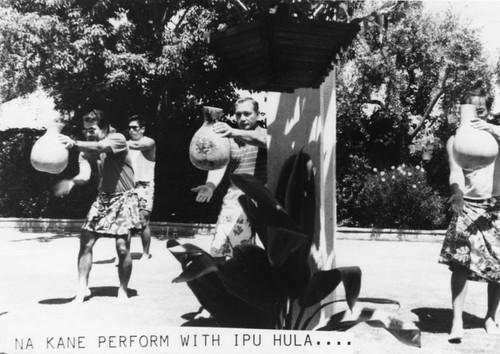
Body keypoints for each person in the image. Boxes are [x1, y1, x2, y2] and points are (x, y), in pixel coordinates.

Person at [55, 109, 140, 303]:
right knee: (85, 241)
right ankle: (82, 289)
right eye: (85, 130)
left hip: (124, 198)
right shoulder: (86, 150)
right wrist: (71, 182)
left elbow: (101, 146)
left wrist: (75, 143)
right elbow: (84, 175)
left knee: (122, 248)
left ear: (105, 127)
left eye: (92, 129)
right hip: (103, 199)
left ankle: (123, 290)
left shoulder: (117, 138)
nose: (88, 133)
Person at [439, 89, 500, 342]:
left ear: (488, 109)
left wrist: (492, 128)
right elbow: (456, 172)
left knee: (498, 267)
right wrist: (457, 193)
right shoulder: (456, 141)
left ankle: (490, 317)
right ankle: (457, 320)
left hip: (496, 207)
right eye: (471, 107)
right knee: (460, 265)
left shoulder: (496, 136)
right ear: (463, 110)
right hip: (469, 206)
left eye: (481, 107)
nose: (477, 111)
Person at [192, 97, 267, 260]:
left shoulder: (265, 134)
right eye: (238, 114)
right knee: (219, 249)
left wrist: (233, 132)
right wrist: (210, 186)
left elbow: (263, 140)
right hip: (235, 200)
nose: (242, 118)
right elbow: (218, 166)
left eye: (247, 114)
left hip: (263, 200)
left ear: (258, 114)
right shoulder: (229, 139)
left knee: (256, 255)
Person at [127, 115, 156, 261]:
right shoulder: (125, 144)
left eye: (135, 128)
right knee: (126, 222)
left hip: (145, 185)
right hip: (128, 185)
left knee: (143, 220)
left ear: (142, 129)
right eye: (130, 128)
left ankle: (145, 253)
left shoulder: (149, 142)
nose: (131, 130)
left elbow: (138, 146)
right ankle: (124, 254)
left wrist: (115, 142)